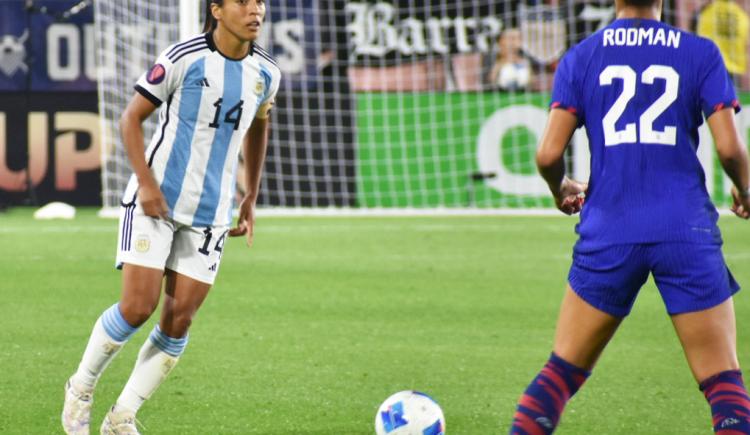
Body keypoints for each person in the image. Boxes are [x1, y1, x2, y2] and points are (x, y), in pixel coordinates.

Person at [508, 0, 750, 433]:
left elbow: (547, 153)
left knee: (559, 376)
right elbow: (730, 149)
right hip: (685, 231)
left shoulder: (582, 56)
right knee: (723, 385)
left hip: (610, 230)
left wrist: (559, 187)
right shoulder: (700, 52)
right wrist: (746, 190)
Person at [62, 0, 280, 433]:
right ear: (217, 10)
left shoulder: (267, 73)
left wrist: (250, 194)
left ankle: (122, 416)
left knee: (179, 319)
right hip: (155, 203)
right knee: (137, 308)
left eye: (260, 2)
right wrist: (145, 184)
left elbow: (259, 124)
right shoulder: (183, 58)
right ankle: (81, 388)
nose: (256, 10)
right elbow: (130, 118)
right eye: (243, 1)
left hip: (211, 215)